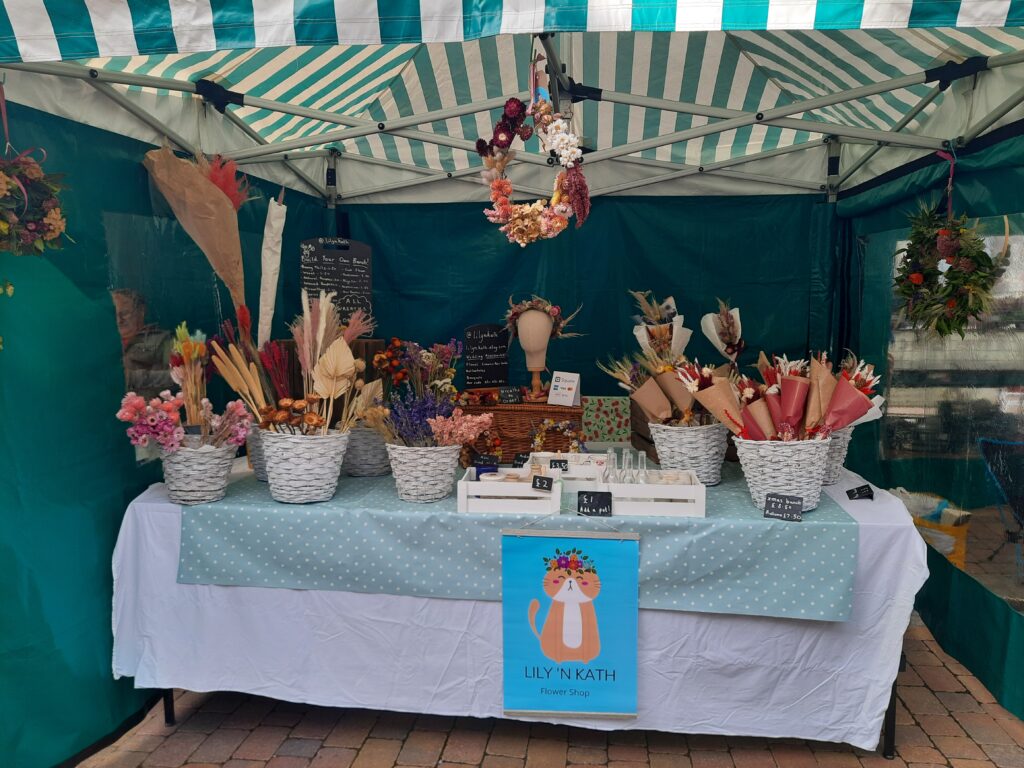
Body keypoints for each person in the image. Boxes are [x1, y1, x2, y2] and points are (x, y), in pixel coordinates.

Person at [110, 289, 175, 399]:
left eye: (124, 313)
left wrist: (128, 378)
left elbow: (174, 378)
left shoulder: (163, 340)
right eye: (115, 314)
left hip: (146, 408)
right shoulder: (105, 344)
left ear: (141, 312)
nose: (119, 320)